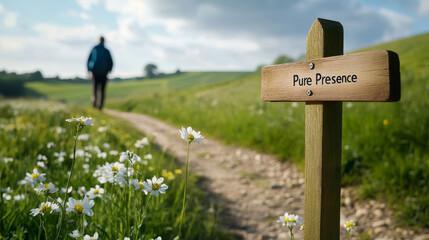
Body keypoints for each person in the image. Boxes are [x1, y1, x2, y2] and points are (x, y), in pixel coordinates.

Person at [87, 36, 113, 110]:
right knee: (102, 90)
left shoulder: (94, 48)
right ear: (104, 41)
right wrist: (109, 70)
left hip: (94, 72)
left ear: (98, 40)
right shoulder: (106, 50)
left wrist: (89, 70)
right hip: (104, 73)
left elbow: (89, 59)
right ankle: (100, 106)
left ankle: (94, 103)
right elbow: (111, 61)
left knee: (94, 88)